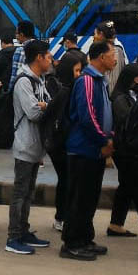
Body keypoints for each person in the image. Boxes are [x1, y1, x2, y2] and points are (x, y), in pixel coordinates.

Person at [60, 41, 118, 261]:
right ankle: (71, 243)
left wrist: (109, 136)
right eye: (112, 54)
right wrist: (103, 140)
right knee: (79, 198)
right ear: (101, 57)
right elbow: (88, 117)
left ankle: (85, 238)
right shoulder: (86, 81)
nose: (115, 58)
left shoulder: (99, 81)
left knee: (90, 198)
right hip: (83, 149)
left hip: (94, 149)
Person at [8, 39, 54, 255]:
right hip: (25, 144)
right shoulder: (24, 82)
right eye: (49, 56)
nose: (51, 60)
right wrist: (46, 106)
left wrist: (45, 105)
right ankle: (13, 237)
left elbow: (45, 105)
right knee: (20, 192)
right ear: (39, 57)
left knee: (28, 193)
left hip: (36, 146)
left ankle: (23, 231)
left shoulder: (40, 80)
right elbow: (34, 112)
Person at [108, 63, 138, 238]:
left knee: (126, 187)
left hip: (129, 149)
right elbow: (128, 122)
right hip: (126, 150)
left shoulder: (131, 95)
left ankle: (115, 224)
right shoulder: (120, 99)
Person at [47, 50, 87, 233]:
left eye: (81, 71)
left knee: (68, 180)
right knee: (66, 180)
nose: (79, 75)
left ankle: (64, 215)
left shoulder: (69, 88)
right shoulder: (64, 90)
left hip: (64, 143)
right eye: (76, 70)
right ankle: (61, 217)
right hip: (60, 145)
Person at [93, 22, 127, 88]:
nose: (94, 36)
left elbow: (113, 81)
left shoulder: (115, 51)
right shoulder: (109, 49)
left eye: (95, 34)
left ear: (101, 34)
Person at [8, 21, 36, 91]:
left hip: (23, 89)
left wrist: (10, 92)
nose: (16, 36)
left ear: (22, 34)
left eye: (17, 33)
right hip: (39, 90)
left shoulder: (20, 50)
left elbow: (15, 75)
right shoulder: (41, 47)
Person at [0, 29, 17, 95]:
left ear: (2, 43)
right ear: (13, 42)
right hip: (17, 89)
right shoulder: (19, 53)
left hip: (2, 91)